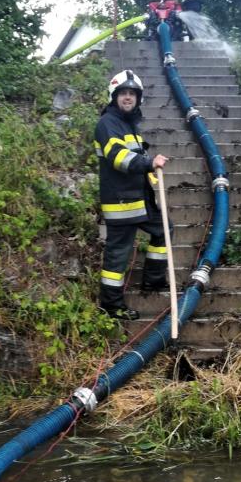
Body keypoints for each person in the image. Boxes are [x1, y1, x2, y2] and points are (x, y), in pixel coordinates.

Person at [94, 70, 171, 320]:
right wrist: (149, 163)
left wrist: (151, 177)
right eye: (123, 93)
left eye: (132, 93)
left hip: (140, 200)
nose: (128, 97)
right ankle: (111, 305)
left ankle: (153, 280)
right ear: (114, 96)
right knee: (118, 255)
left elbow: (137, 158)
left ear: (138, 98)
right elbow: (119, 157)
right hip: (121, 203)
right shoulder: (107, 123)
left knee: (164, 230)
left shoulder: (130, 125)